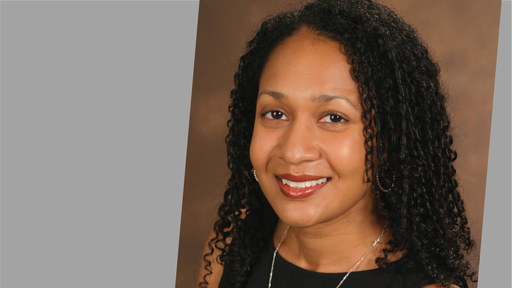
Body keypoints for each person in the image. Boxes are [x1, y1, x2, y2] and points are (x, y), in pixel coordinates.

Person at [197, 0, 477, 287]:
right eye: (276, 113)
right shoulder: (232, 239)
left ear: (389, 142)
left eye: (334, 117)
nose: (293, 152)